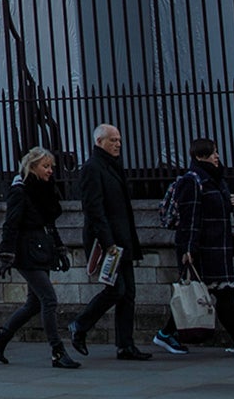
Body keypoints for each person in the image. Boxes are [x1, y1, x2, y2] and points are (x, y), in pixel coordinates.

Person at [157, 137, 234, 359]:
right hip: (202, 248)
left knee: (201, 291)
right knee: (222, 292)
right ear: (199, 156)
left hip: (218, 246)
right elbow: (190, 218)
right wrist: (188, 249)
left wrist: (230, 202)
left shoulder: (216, 179)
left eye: (216, 152)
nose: (216, 156)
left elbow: (215, 208)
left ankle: (166, 333)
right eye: (211, 153)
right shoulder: (193, 180)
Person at [0, 146, 79, 368]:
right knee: (49, 299)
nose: (50, 171)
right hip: (26, 252)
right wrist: (6, 256)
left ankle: (1, 339)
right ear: (33, 166)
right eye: (45, 166)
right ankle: (57, 351)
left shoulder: (44, 189)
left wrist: (59, 250)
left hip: (41, 249)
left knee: (34, 303)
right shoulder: (20, 190)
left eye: (51, 167)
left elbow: (49, 223)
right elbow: (11, 224)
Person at [69, 123, 151, 360]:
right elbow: (94, 209)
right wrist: (108, 243)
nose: (118, 144)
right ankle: (80, 325)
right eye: (113, 140)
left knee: (129, 293)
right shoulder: (92, 168)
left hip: (123, 238)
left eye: (119, 140)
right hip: (107, 241)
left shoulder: (112, 166)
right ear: (99, 142)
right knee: (116, 290)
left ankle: (125, 345)